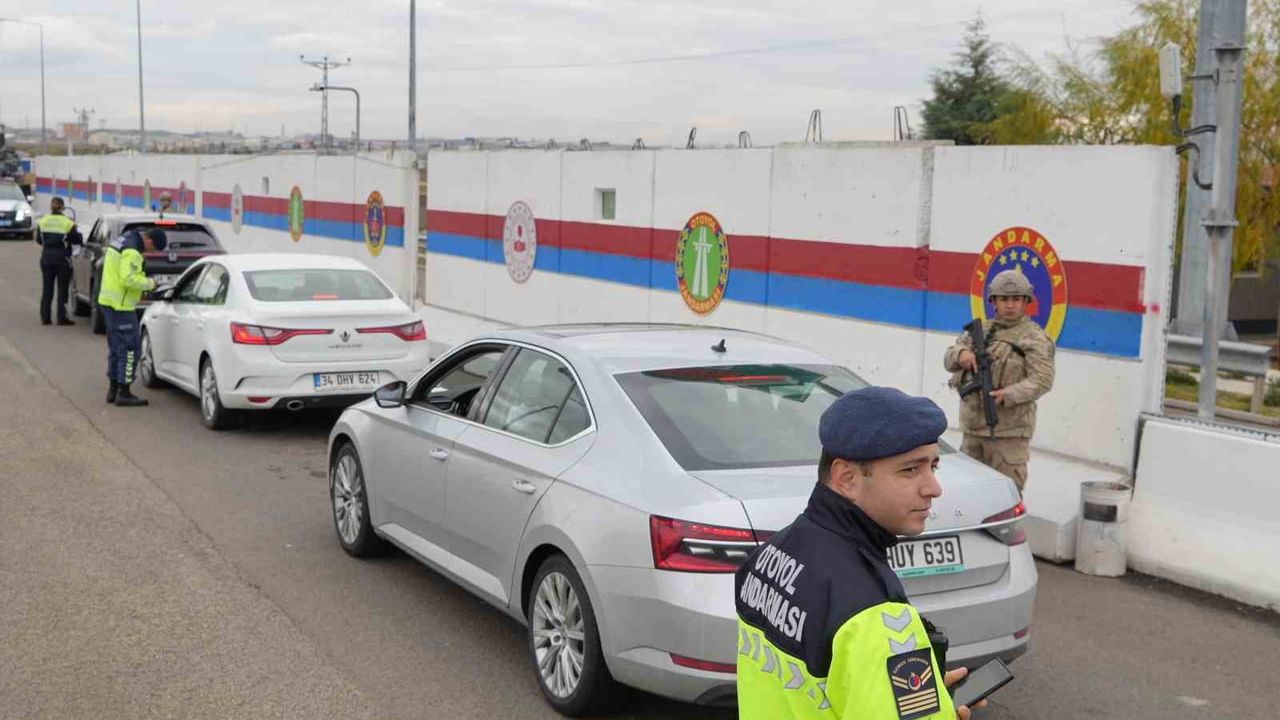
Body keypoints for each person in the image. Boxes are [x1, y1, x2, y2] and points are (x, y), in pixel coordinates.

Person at [735, 386, 985, 720]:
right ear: (847, 479)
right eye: (910, 469)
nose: (933, 488)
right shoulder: (878, 618)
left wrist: (922, 698)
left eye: (933, 467)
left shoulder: (769, 556)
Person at [943, 268, 1055, 493]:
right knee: (966, 495)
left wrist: (1010, 394)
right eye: (1004, 299)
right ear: (994, 301)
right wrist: (960, 355)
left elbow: (1042, 379)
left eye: (1016, 299)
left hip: (1008, 436)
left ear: (1026, 302)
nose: (1010, 305)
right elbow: (949, 359)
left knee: (1004, 497)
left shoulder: (1033, 337)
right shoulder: (980, 331)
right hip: (973, 432)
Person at [97, 227, 167, 407]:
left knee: (115, 348)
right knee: (130, 349)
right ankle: (124, 392)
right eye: (153, 249)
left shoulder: (124, 239)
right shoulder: (132, 251)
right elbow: (127, 279)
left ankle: (113, 389)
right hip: (121, 306)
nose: (150, 253)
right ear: (149, 241)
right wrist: (151, 284)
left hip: (108, 301)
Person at [34, 196, 82, 326]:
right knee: (62, 289)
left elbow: (39, 240)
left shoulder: (43, 222)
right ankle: (62, 318)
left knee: (47, 288)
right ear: (62, 207)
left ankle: (45, 318)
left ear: (51, 206)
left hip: (46, 258)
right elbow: (77, 240)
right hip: (62, 259)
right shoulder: (68, 223)